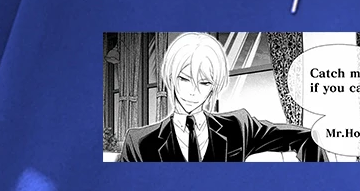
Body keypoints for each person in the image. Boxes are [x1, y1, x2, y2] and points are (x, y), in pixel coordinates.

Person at [117, 32, 328, 162]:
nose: (193, 92)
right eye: (184, 79)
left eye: (204, 83)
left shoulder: (238, 126)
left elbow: (307, 138)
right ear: (171, 77)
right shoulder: (139, 142)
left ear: (214, 87)